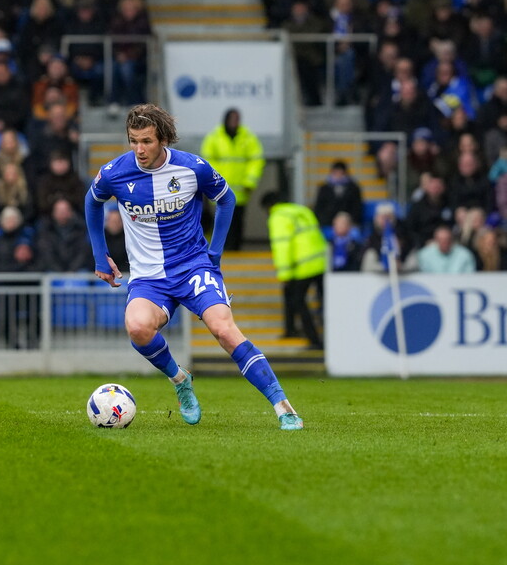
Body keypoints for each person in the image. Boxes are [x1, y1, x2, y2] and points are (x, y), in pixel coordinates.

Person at [85, 104, 303, 431]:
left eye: (146, 141)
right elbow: (92, 201)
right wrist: (100, 257)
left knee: (224, 330)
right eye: (133, 141)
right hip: (149, 277)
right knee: (138, 328)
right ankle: (179, 379)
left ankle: (283, 406)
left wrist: (215, 253)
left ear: (163, 139)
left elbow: (227, 199)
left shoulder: (192, 168)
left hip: (193, 268)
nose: (139, 149)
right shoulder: (116, 172)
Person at [261, 192, 327, 349]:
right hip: (321, 261)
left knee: (298, 301)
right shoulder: (302, 210)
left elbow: (282, 245)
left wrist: (284, 274)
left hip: (302, 265)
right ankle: (291, 329)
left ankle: (314, 340)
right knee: (324, 302)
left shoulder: (278, 217)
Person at [200, 108, 265, 249]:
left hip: (240, 189)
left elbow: (256, 160)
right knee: (221, 221)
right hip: (220, 190)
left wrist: (250, 181)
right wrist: (214, 182)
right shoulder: (214, 137)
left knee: (238, 221)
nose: (235, 122)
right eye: (232, 118)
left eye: (237, 119)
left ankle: (235, 248)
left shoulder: (248, 137)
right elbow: (207, 162)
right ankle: (222, 249)